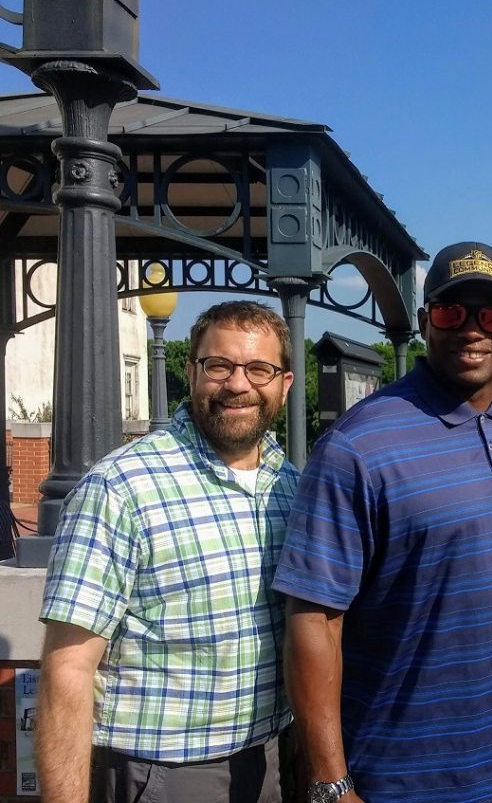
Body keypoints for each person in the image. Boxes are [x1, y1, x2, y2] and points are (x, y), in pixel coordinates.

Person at [274, 242, 492, 803]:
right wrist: (331, 782)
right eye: (453, 312)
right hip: (397, 777)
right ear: (427, 322)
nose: (472, 329)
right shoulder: (358, 445)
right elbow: (313, 618)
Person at [36, 301, 299, 803]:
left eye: (259, 369)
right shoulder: (121, 487)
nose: (238, 384)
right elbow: (69, 666)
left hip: (268, 760)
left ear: (284, 385)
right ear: (191, 371)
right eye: (219, 365)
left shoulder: (290, 486)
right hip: (163, 773)